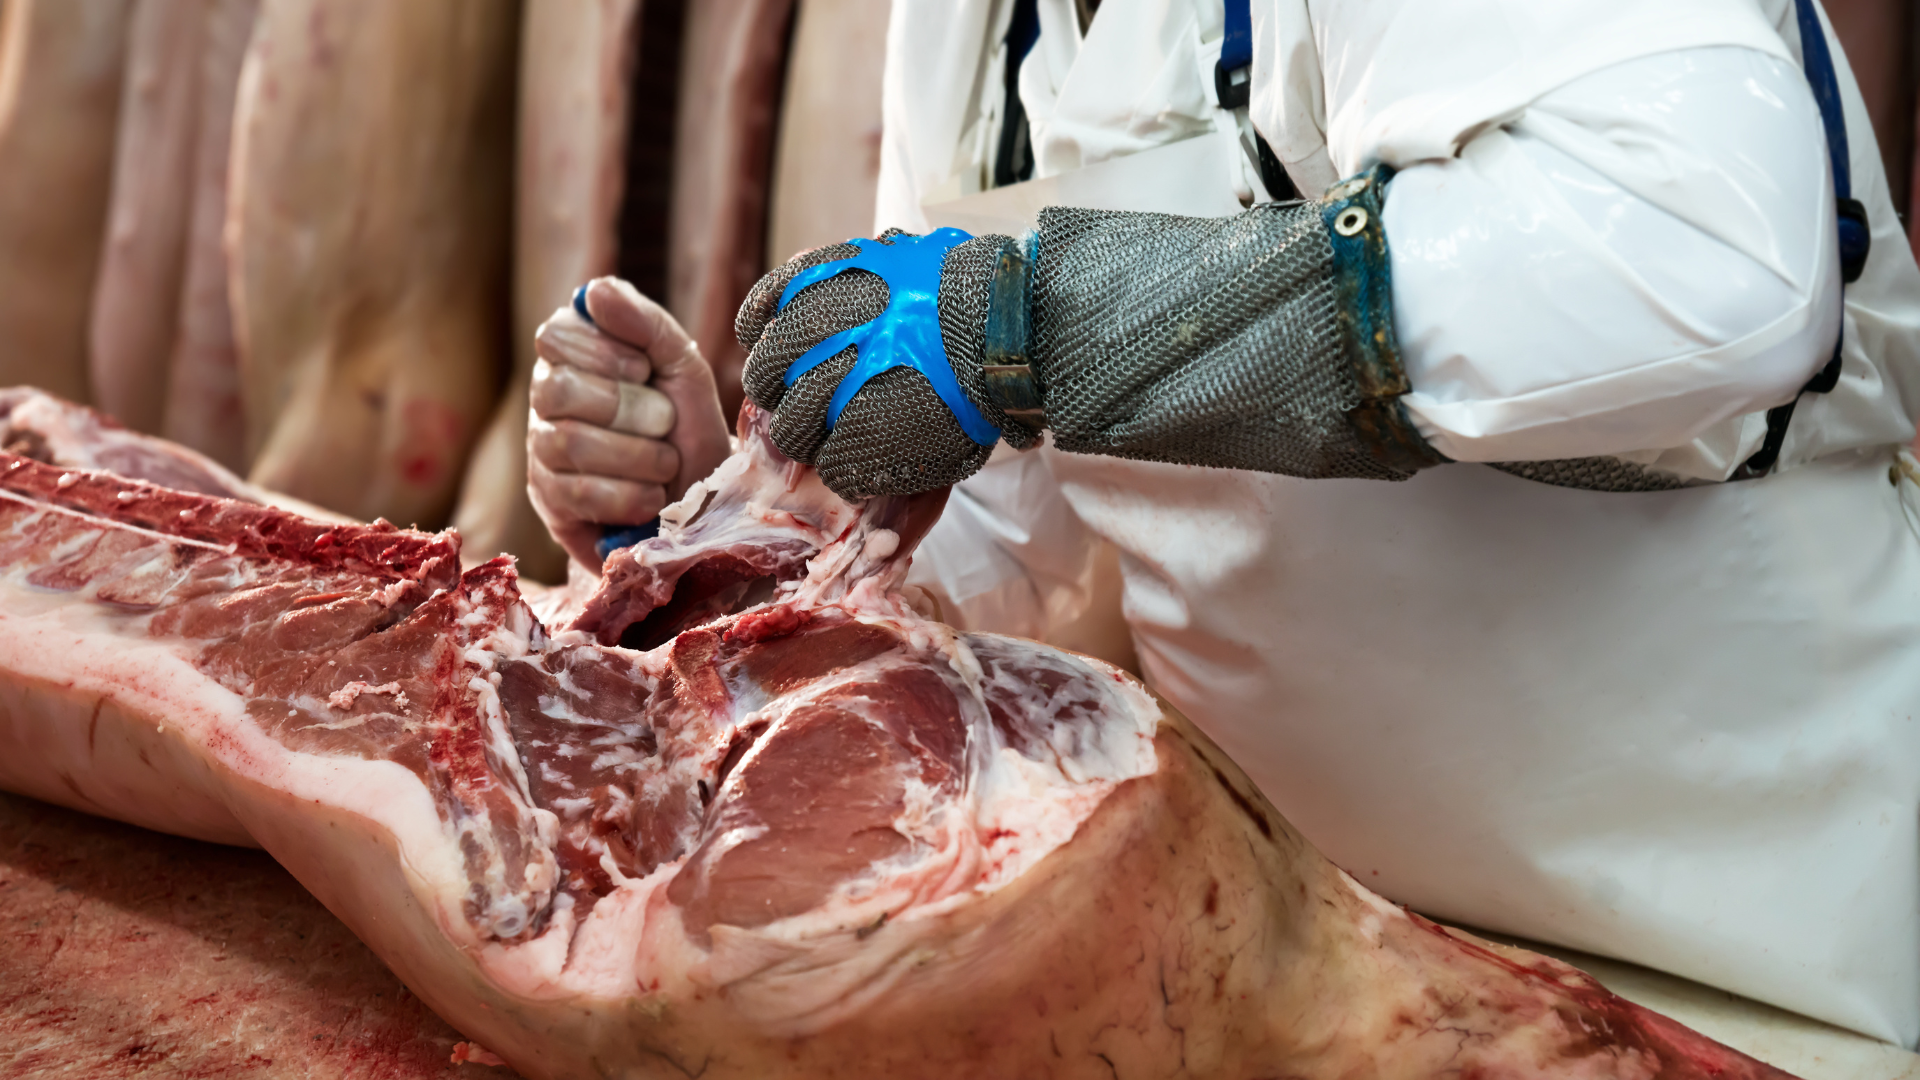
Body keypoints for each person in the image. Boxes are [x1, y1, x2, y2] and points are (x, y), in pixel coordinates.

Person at [527, 0, 1920, 1047]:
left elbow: (1706, 261)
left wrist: (1041, 323)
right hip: (1297, 954)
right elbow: (1008, 544)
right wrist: (741, 522)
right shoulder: (964, 26)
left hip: (1765, 964)